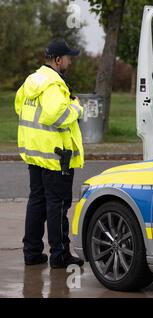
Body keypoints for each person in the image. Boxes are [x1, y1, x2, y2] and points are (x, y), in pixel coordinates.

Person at [15, 40, 85, 268]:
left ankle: (32, 252)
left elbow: (19, 107)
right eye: (68, 58)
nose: (70, 62)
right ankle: (60, 254)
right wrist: (76, 108)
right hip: (56, 157)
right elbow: (56, 116)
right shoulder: (54, 85)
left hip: (35, 153)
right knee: (58, 205)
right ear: (58, 60)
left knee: (37, 201)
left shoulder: (31, 81)